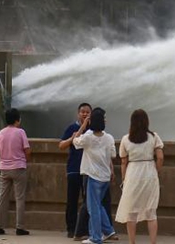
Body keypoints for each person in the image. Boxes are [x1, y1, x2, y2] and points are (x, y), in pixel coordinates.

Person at [116, 109, 164, 244]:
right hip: (149, 172)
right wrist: (157, 170)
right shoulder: (154, 137)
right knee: (151, 212)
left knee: (131, 212)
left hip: (133, 172)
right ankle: (153, 242)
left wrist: (125, 179)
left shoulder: (126, 139)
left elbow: (123, 161)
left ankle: (132, 242)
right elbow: (160, 157)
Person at [73, 108, 118, 244]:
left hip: (93, 176)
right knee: (98, 205)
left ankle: (96, 237)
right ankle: (108, 230)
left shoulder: (88, 136)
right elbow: (113, 154)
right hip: (105, 176)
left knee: (93, 208)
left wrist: (83, 126)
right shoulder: (109, 137)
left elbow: (75, 142)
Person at [0, 108, 31, 236]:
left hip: (4, 168)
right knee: (19, 198)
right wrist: (25, 161)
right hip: (19, 167)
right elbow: (27, 150)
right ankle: (19, 227)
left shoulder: (1, 133)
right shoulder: (20, 132)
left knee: (2, 198)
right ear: (17, 119)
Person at [59, 102, 92, 238]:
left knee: (88, 202)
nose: (84, 114)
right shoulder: (72, 127)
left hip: (90, 170)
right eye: (82, 112)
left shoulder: (94, 130)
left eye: (87, 112)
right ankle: (71, 229)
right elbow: (61, 145)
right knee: (72, 200)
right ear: (78, 113)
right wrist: (72, 139)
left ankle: (85, 229)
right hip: (74, 169)